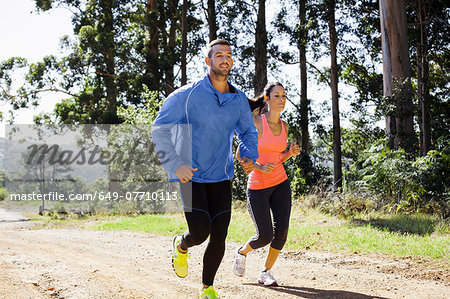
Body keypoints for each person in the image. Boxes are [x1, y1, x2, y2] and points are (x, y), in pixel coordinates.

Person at [151, 39, 258, 298]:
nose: (225, 59)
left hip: (221, 175)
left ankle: (207, 288)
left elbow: (247, 131)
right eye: (218, 55)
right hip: (192, 175)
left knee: (219, 235)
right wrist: (175, 164)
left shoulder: (238, 100)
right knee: (200, 232)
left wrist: (249, 154)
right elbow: (159, 128)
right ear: (208, 61)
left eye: (229, 55)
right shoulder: (186, 96)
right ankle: (181, 244)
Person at [232, 82, 300, 286]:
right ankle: (241, 252)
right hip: (258, 187)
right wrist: (258, 166)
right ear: (267, 99)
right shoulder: (256, 123)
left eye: (284, 96)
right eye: (277, 96)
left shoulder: (284, 126)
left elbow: (277, 158)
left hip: (280, 183)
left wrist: (288, 153)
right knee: (264, 235)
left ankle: (265, 272)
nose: (281, 99)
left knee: (281, 232)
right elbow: (239, 155)